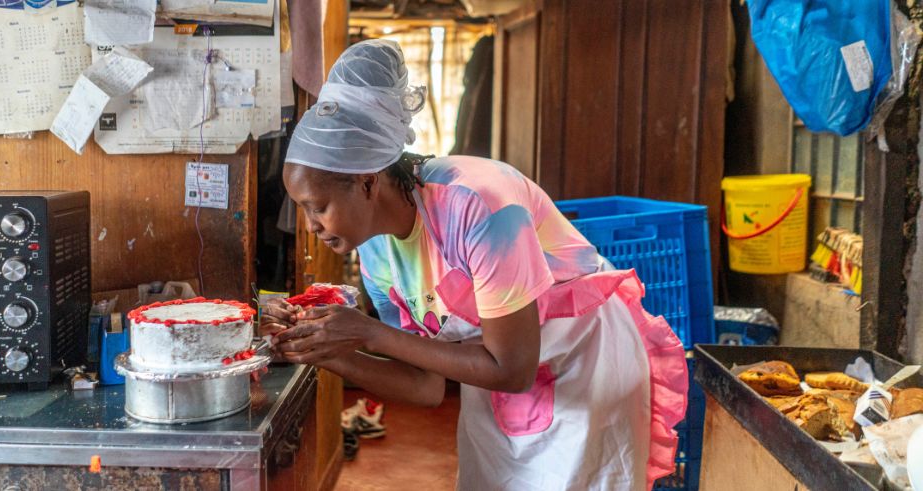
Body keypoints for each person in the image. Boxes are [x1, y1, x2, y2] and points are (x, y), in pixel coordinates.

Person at [261, 39, 688, 491]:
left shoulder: (477, 205)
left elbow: (514, 369)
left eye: (318, 207)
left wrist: (368, 331)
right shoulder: (376, 249)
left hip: (584, 368)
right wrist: (331, 351)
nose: (311, 226)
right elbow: (426, 387)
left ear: (366, 183)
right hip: (497, 373)